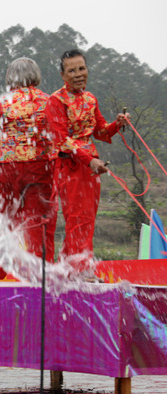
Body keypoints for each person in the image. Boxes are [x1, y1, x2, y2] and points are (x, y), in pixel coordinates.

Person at [45, 49, 129, 274]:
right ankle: (79, 270)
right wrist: (89, 161)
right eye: (72, 70)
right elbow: (62, 140)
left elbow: (100, 131)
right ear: (63, 75)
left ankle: (71, 269)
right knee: (76, 218)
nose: (78, 74)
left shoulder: (90, 99)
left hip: (91, 166)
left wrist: (117, 124)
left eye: (81, 68)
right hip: (69, 165)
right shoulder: (56, 101)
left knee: (87, 218)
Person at [0, 57, 57, 281]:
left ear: (10, 77)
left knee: (1, 220)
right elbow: (56, 136)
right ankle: (40, 276)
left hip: (7, 168)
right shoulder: (48, 102)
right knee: (38, 223)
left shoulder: (3, 102)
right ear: (35, 75)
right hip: (40, 168)